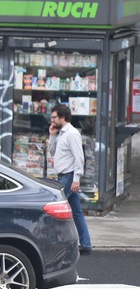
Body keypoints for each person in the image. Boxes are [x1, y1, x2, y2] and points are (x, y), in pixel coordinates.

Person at [48, 104, 92, 254]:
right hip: (64, 176)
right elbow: (52, 151)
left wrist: (76, 179)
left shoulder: (72, 133)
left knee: (55, 211)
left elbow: (79, 157)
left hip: (68, 177)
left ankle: (55, 243)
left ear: (62, 117)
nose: (52, 120)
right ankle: (86, 244)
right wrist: (52, 135)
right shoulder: (60, 133)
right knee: (77, 213)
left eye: (54, 117)